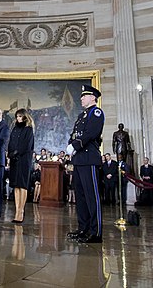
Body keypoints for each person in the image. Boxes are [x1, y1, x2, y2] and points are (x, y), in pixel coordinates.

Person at [66, 84, 105, 244]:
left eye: (84, 96)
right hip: (79, 159)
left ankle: (96, 232)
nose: (81, 98)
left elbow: (91, 133)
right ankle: (83, 229)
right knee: (81, 197)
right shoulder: (82, 115)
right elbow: (74, 134)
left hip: (89, 159)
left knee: (92, 196)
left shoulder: (96, 113)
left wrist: (75, 146)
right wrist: (70, 145)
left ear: (92, 97)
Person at [7, 108, 34, 223]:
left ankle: (21, 211)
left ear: (25, 117)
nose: (18, 118)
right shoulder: (14, 129)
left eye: (20, 116)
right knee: (16, 185)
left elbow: (27, 145)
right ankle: (17, 210)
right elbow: (11, 142)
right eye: (17, 116)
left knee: (22, 185)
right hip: (14, 159)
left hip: (23, 160)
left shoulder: (28, 129)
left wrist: (17, 152)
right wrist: (10, 153)